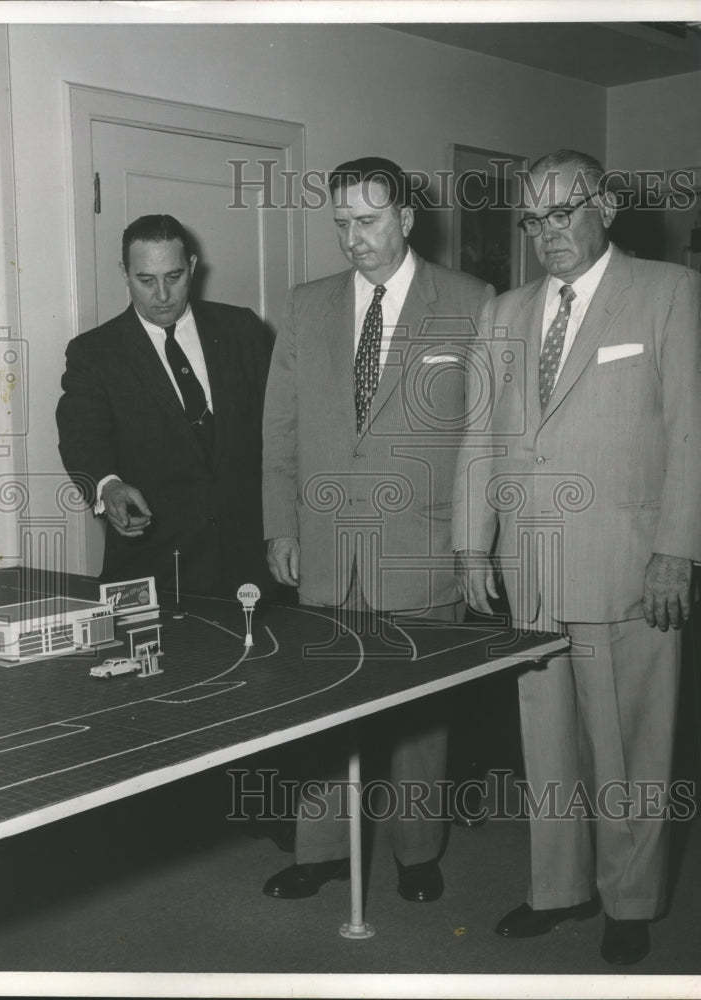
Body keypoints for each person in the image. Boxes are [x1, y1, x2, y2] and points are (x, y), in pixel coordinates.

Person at [453, 150, 701, 964]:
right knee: (545, 743)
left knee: (631, 746)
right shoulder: (503, 313)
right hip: (530, 566)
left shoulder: (669, 293)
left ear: (605, 205)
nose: (549, 233)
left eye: (565, 211)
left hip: (630, 567)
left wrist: (678, 551)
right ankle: (558, 888)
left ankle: (631, 898)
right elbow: (479, 436)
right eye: (533, 219)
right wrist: (473, 544)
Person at [261, 157, 495, 902]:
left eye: (366, 222)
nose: (352, 240)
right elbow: (281, 429)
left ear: (406, 217)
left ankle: (416, 853)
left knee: (421, 718)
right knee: (322, 708)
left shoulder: (470, 300)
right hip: (326, 549)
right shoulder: (304, 305)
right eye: (340, 224)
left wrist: (472, 544)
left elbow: (482, 437)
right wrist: (279, 526)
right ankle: (323, 849)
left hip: (423, 548)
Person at [57, 214, 272, 598]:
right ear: (125, 272)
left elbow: (281, 427)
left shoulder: (242, 329)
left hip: (251, 566)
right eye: (146, 280)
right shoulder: (94, 353)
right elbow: (81, 436)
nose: (162, 295)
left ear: (191, 267)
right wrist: (108, 486)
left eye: (173, 277)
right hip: (153, 569)